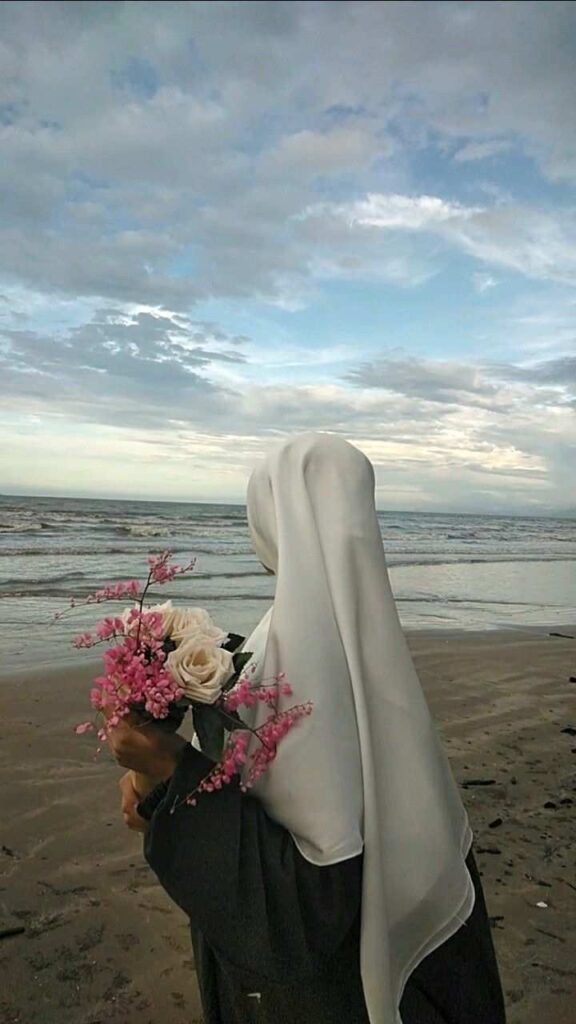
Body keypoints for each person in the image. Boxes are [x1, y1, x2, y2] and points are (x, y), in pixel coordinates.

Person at [109, 433, 506, 1024]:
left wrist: (168, 765)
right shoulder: (369, 645)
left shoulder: (294, 654)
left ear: (273, 520)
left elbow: (301, 910)